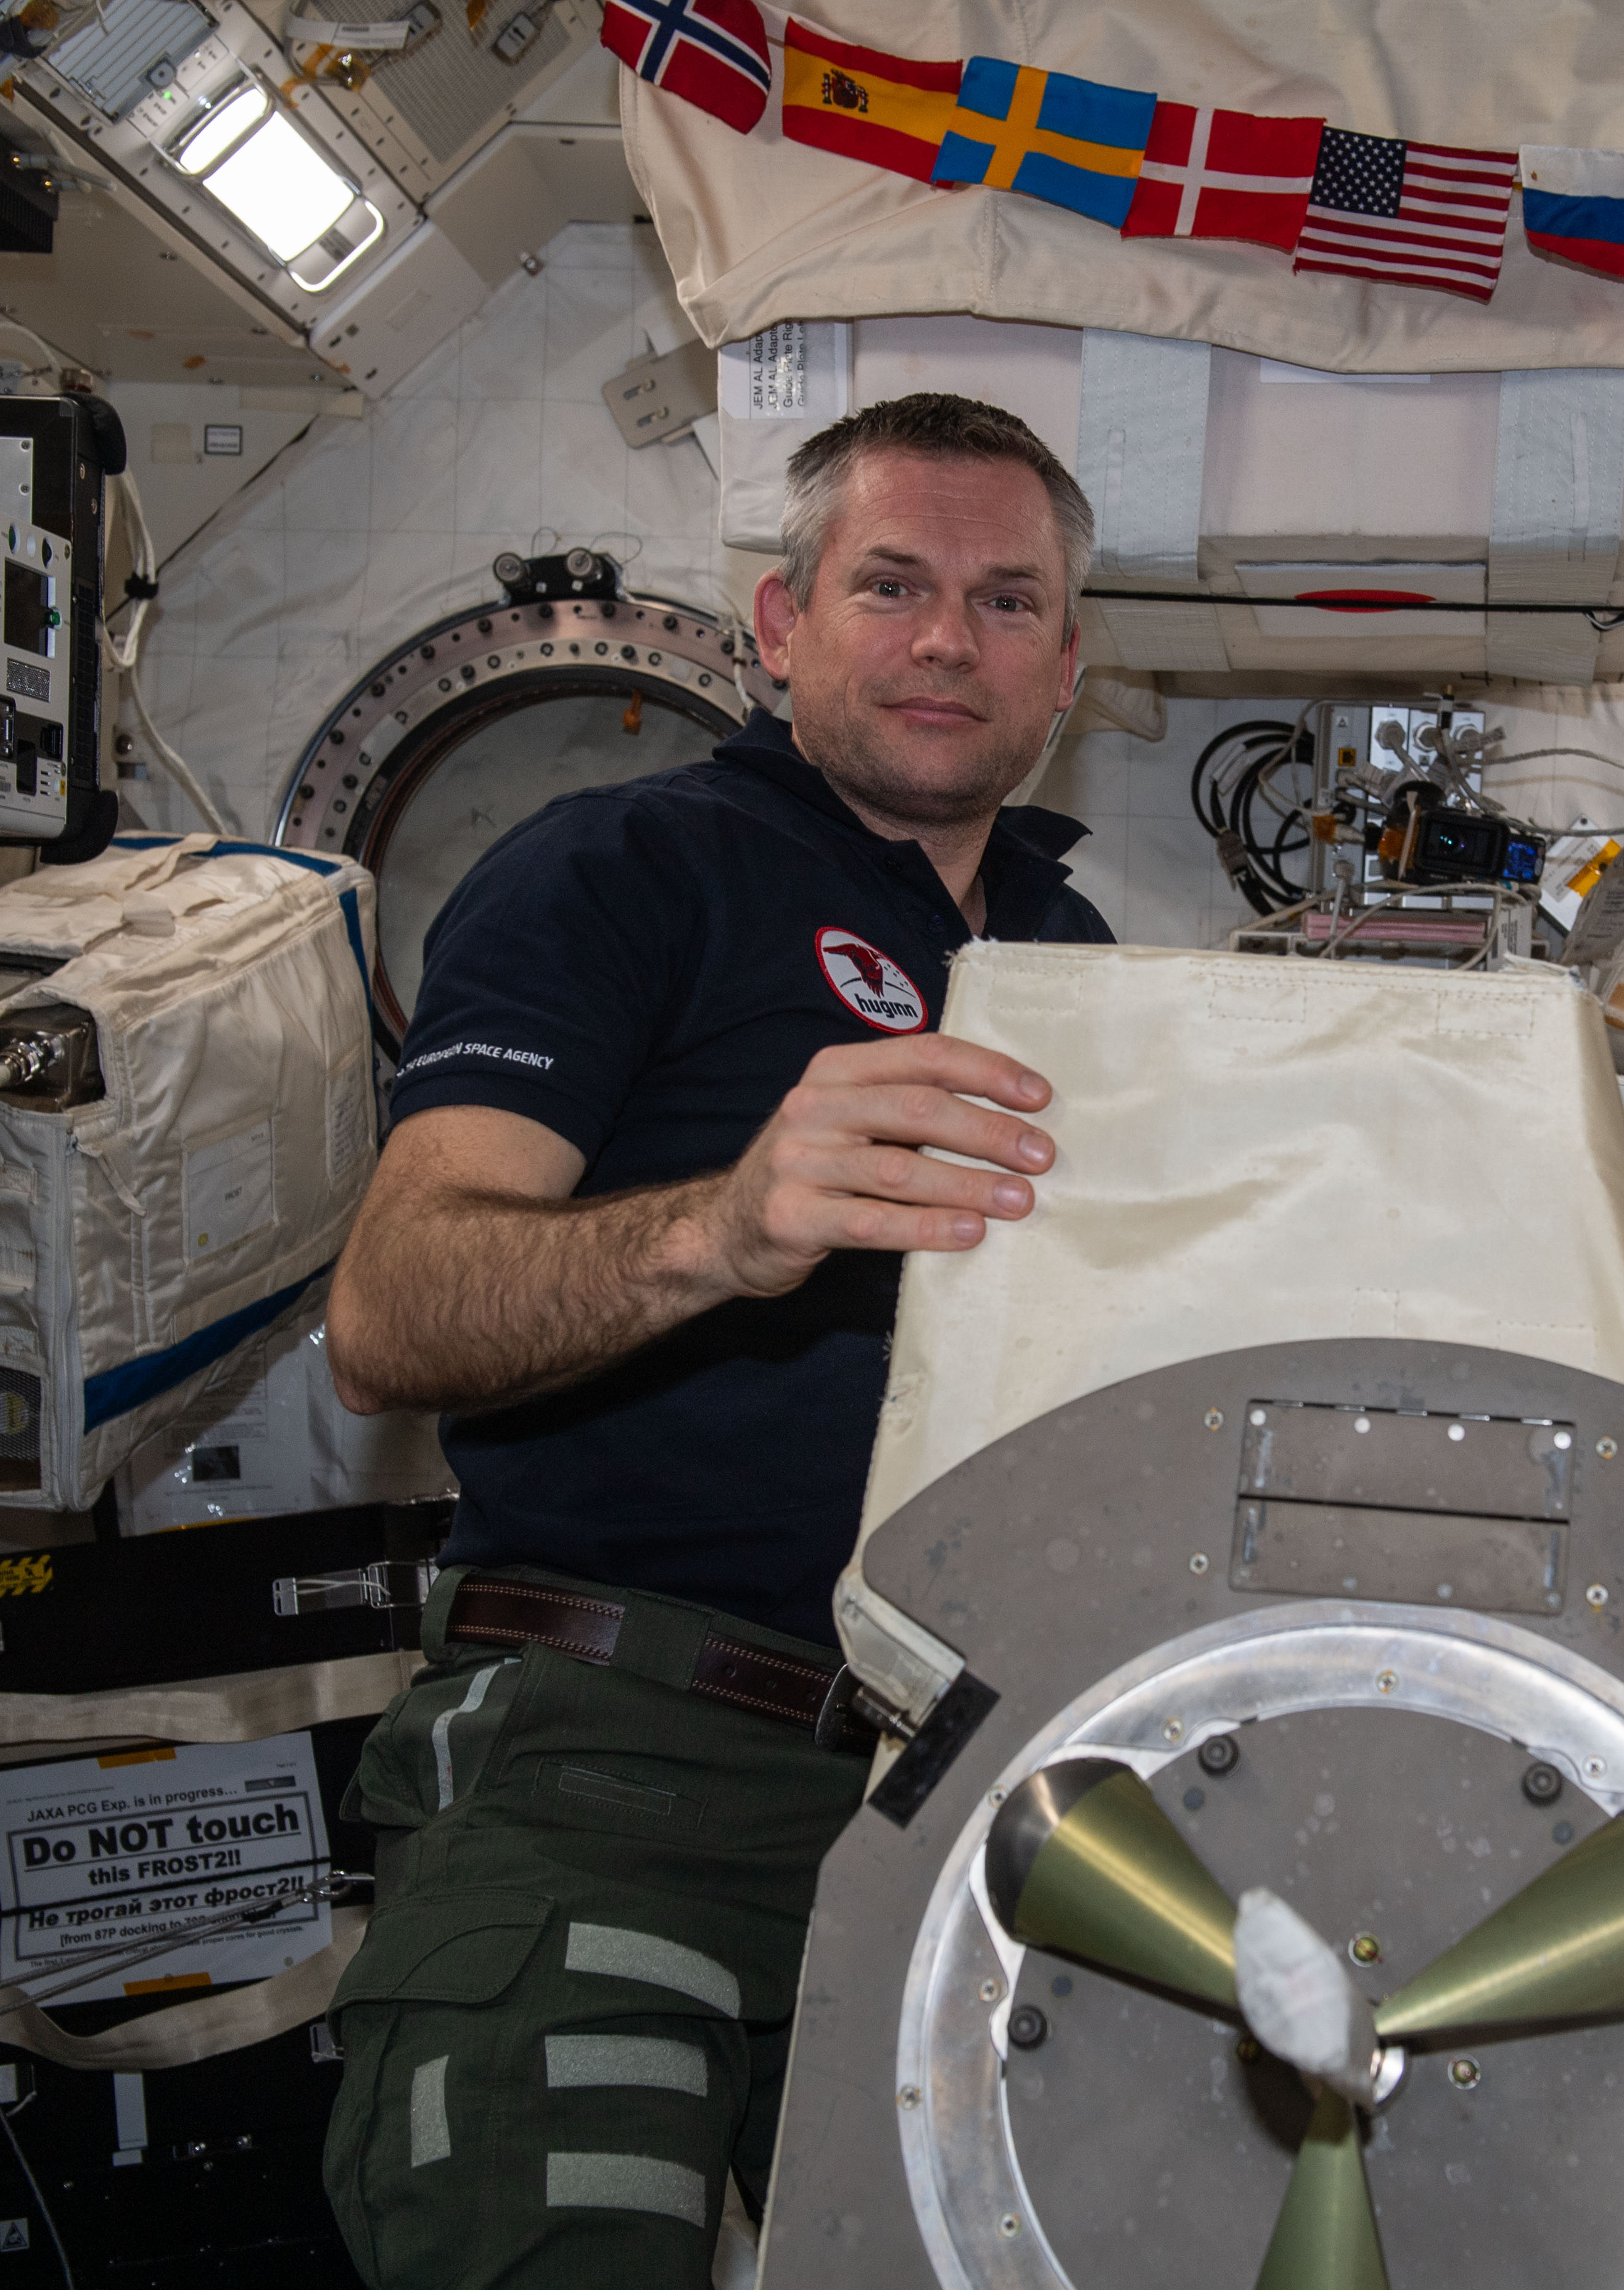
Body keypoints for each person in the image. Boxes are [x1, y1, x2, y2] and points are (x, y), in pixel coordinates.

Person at [315, 392, 1113, 2287]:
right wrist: (727, 1227)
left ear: (1068, 669)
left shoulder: (1081, 957)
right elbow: (390, 1308)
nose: (946, 641)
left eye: (1008, 604)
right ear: (780, 625)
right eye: (892, 585)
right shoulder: (623, 872)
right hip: (619, 1762)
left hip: (959, 1802)